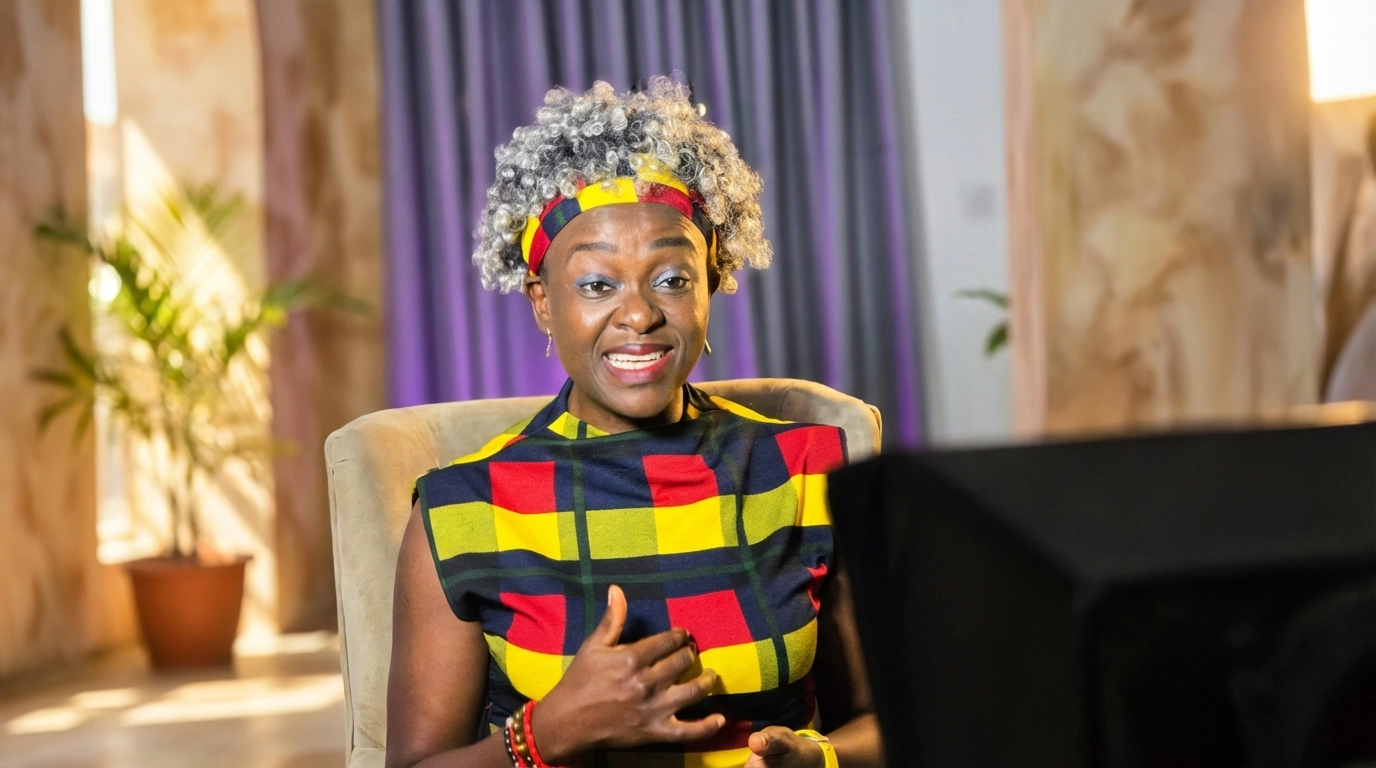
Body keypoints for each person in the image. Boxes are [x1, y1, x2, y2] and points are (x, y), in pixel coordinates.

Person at [387, 78, 883, 768]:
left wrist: (817, 757)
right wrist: (549, 732)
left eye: (672, 278)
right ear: (542, 303)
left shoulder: (805, 469)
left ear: (712, 280)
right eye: (596, 284)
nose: (639, 314)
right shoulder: (463, 508)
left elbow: (890, 724)